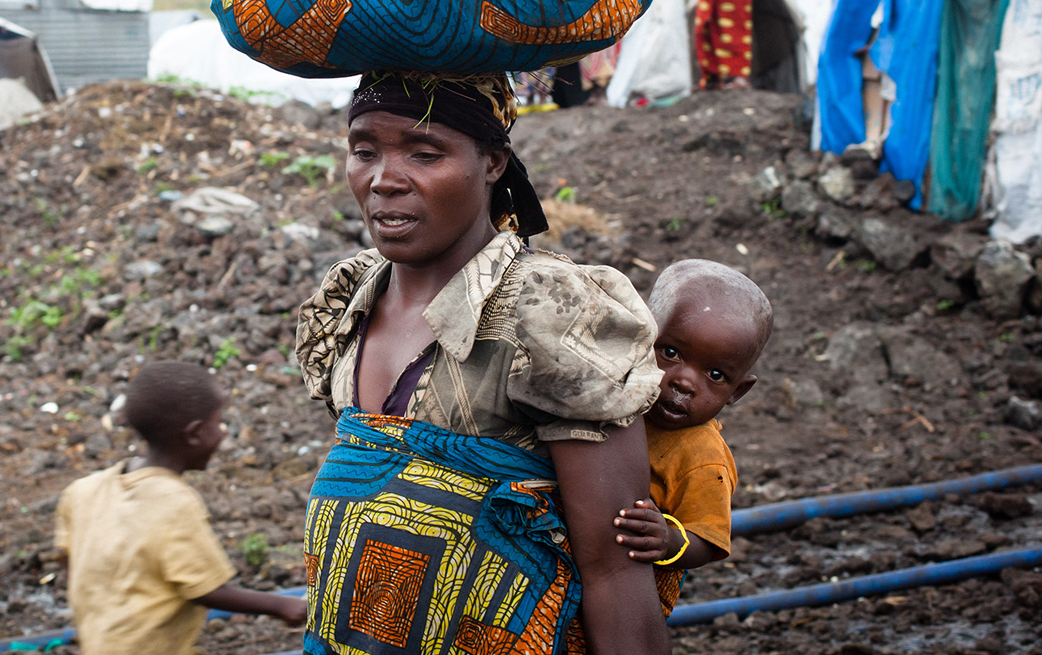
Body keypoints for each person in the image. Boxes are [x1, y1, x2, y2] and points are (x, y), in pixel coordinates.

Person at [296, 72, 669, 655]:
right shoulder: (350, 299)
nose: (384, 180)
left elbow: (614, 571)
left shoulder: (549, 313)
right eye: (364, 150)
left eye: (425, 153)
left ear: (493, 162)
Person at [55, 361, 306, 655]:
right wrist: (284, 606)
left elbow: (67, 562)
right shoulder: (173, 501)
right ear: (194, 434)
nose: (224, 432)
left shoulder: (83, 491)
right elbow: (207, 590)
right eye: (218, 422)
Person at [612, 260, 772, 614]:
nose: (685, 382)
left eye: (715, 374)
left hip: (630, 594)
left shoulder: (703, 458)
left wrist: (668, 540)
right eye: (670, 353)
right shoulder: (610, 395)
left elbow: (708, 540)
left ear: (737, 391)